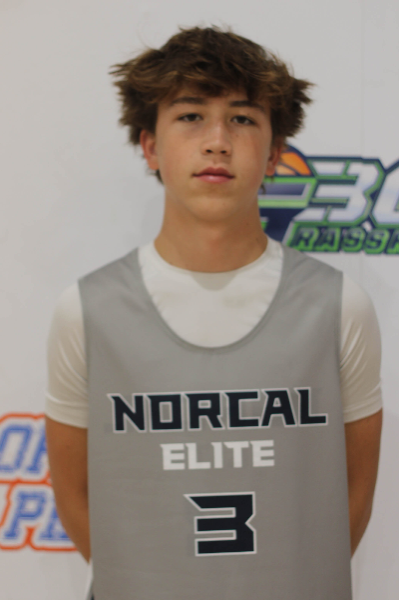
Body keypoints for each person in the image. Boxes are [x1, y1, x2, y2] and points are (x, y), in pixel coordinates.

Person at [45, 26, 383, 600]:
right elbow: (76, 496)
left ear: (274, 153)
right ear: (151, 146)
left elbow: (348, 498)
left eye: (243, 118)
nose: (218, 141)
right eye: (191, 116)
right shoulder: (86, 310)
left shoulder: (338, 305)